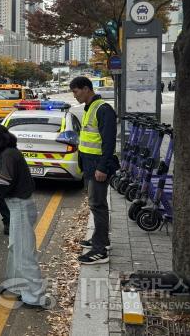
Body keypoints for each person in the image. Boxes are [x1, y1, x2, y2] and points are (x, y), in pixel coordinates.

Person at [0, 124, 47, 308]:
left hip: (20, 206)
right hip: (20, 206)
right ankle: (16, 286)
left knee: (24, 253)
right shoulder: (10, 152)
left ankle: (35, 296)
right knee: (17, 248)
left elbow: (5, 180)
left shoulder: (7, 155)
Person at [69, 77, 118, 265]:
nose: (75, 95)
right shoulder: (89, 108)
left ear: (87, 89)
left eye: (76, 91)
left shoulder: (103, 109)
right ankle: (101, 240)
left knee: (98, 205)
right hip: (89, 166)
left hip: (98, 166)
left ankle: (100, 250)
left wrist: (102, 167)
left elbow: (109, 143)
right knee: (96, 204)